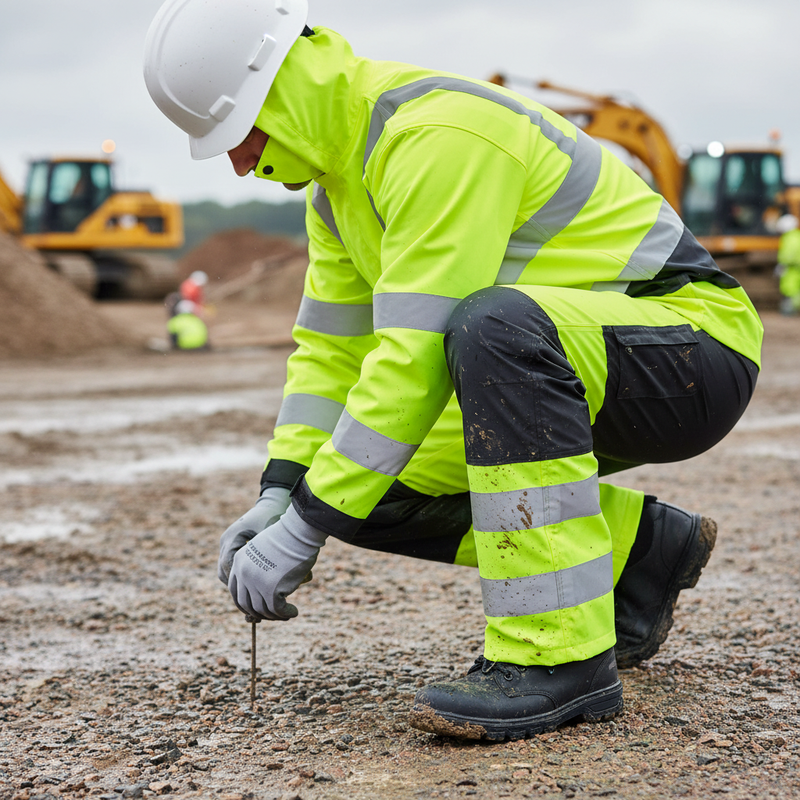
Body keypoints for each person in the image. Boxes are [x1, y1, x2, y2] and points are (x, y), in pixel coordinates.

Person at [144, 0, 763, 740]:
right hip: (571, 359)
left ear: (280, 89)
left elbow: (413, 351)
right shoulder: (339, 191)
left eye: (236, 134)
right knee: (361, 487)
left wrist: (303, 531)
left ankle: (558, 660)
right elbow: (332, 354)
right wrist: (284, 492)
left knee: (491, 326)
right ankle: (642, 555)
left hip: (690, 350)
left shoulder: (436, 135)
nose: (239, 162)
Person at [775, 214, 800, 315]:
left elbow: (788, 254)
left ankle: (790, 310)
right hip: (796, 267)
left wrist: (781, 265)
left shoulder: (789, 238)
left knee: (791, 289)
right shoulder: (797, 235)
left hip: (792, 268)